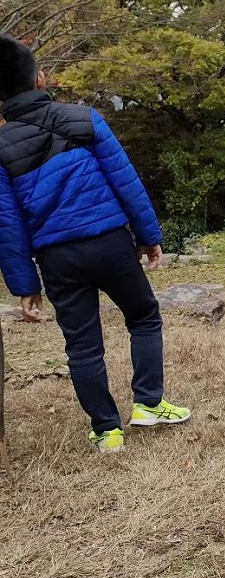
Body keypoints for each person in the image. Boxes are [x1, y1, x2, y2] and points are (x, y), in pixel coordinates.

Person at [0, 33, 190, 453]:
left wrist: (25, 285)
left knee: (82, 344)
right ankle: (149, 403)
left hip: (56, 259)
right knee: (143, 316)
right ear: (40, 78)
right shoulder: (84, 118)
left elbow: (7, 224)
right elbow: (125, 180)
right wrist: (148, 235)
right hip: (109, 242)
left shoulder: (0, 147)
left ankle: (107, 431)